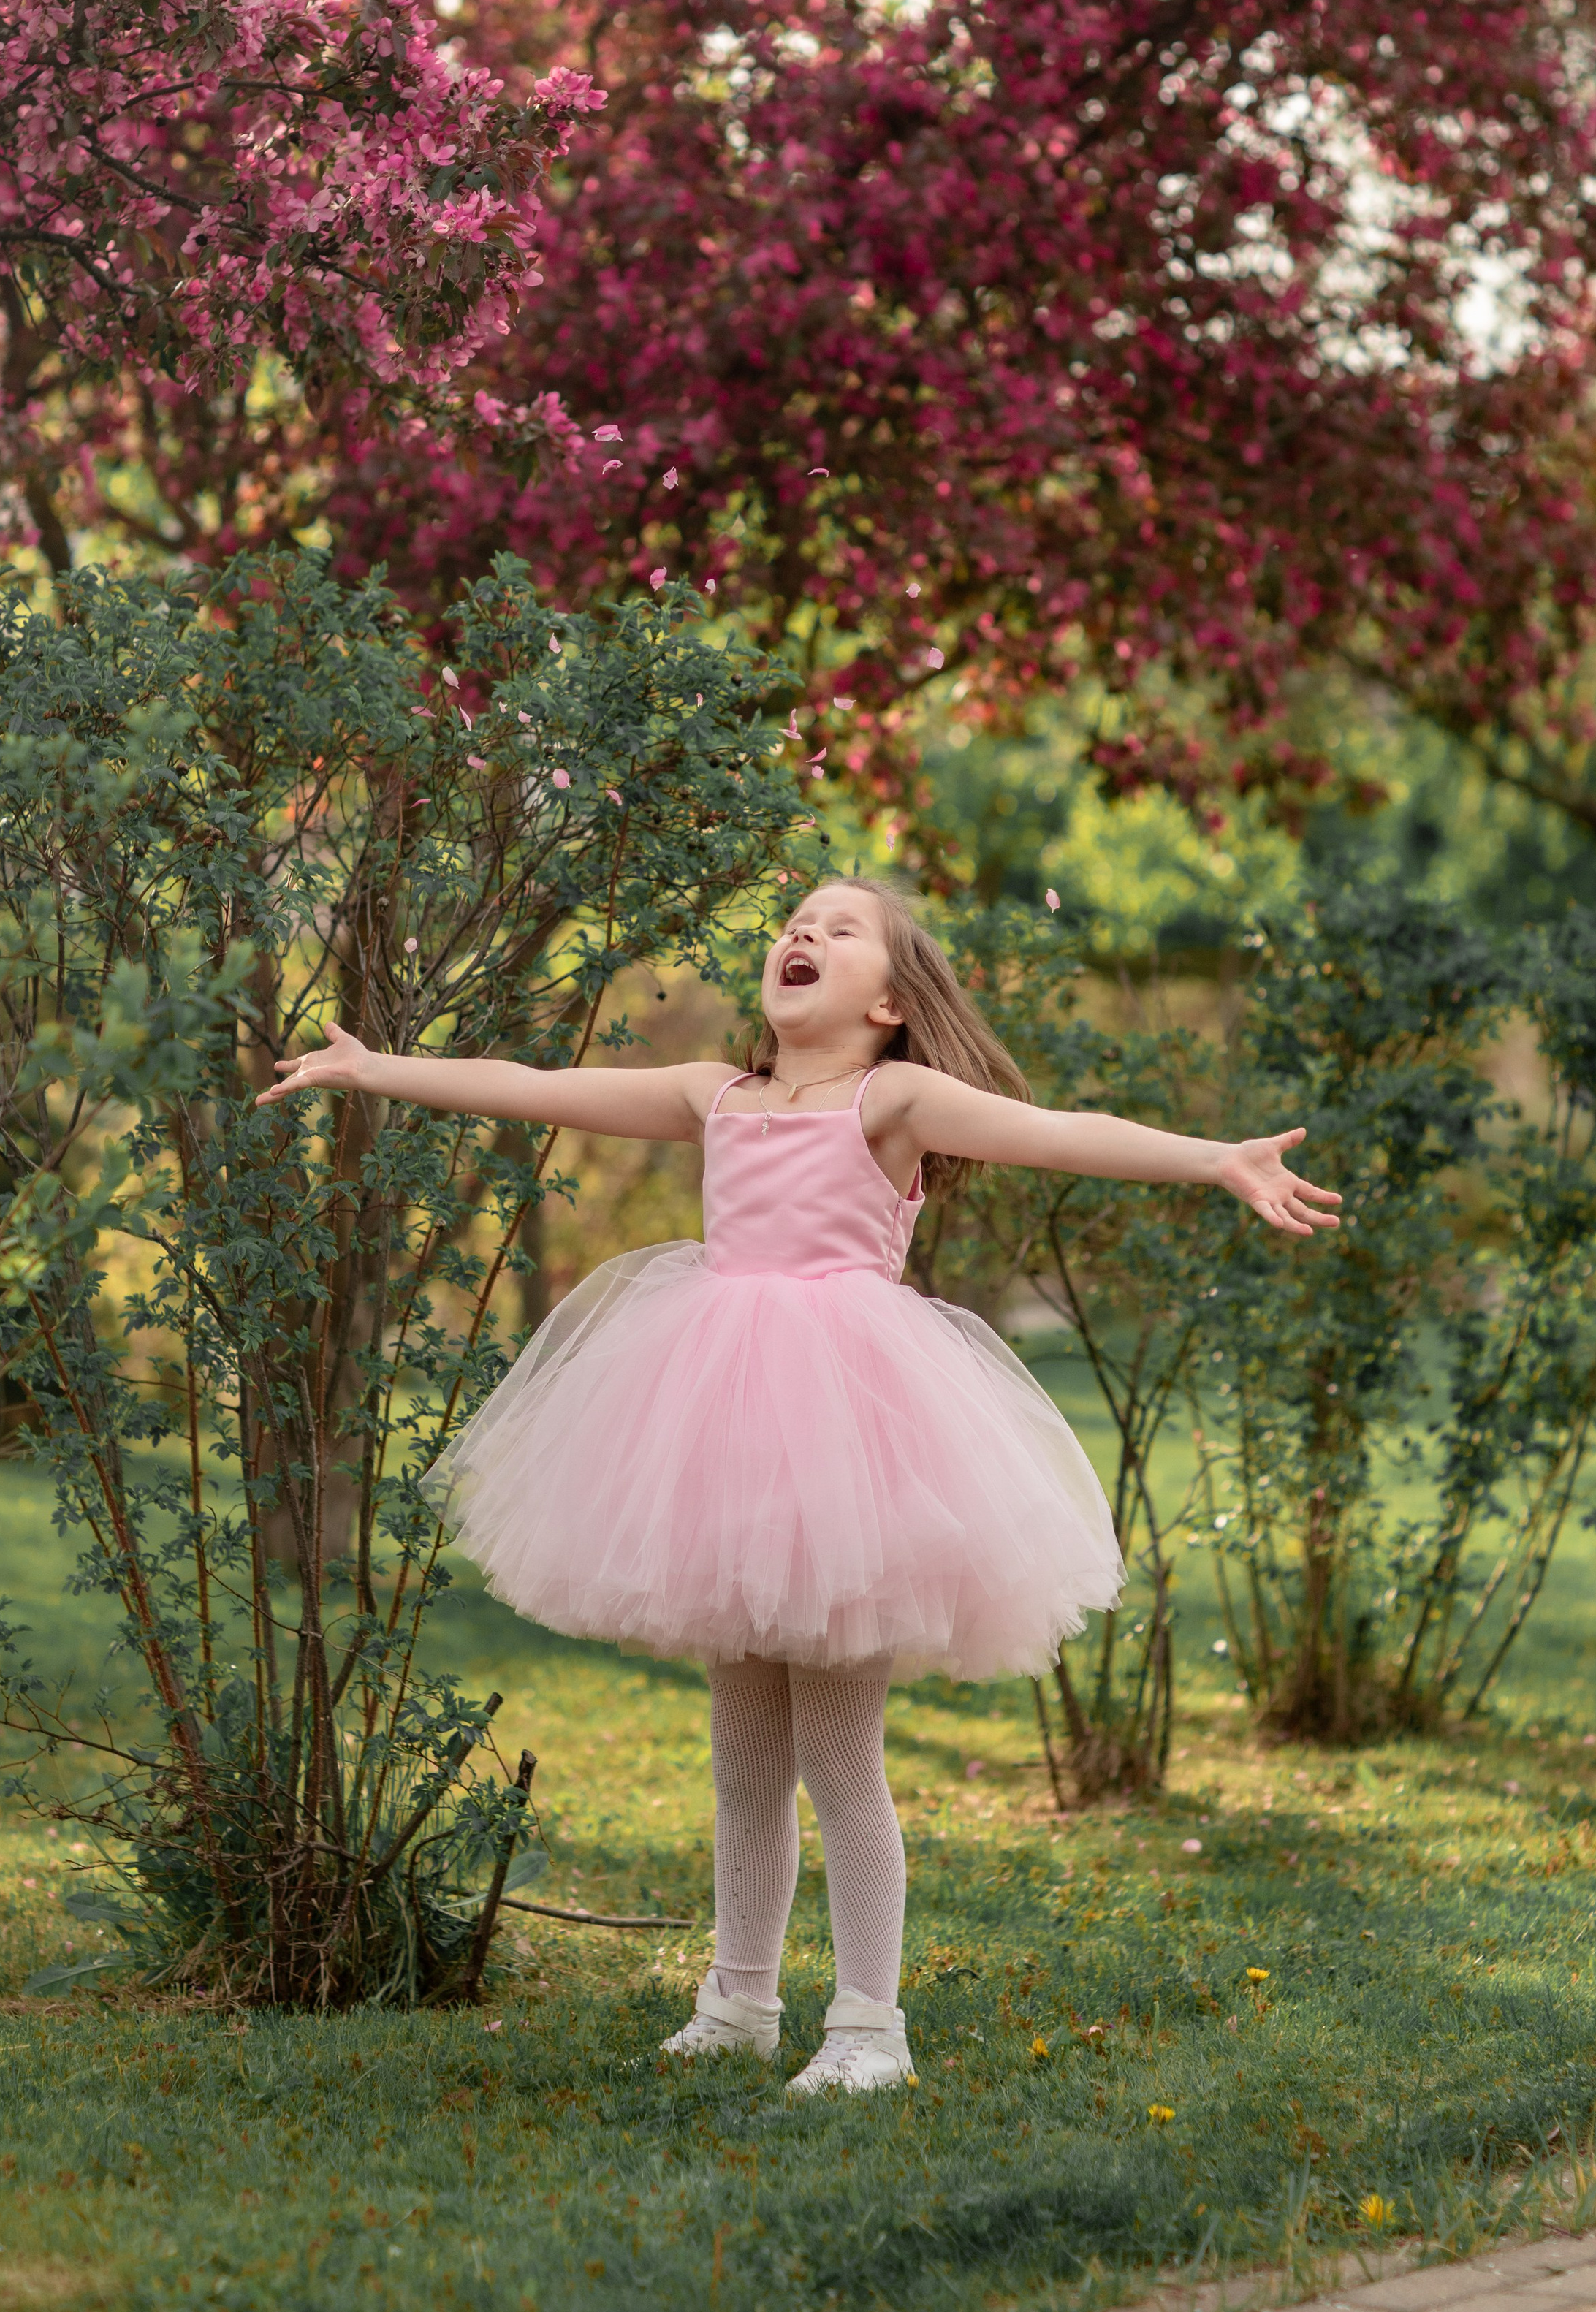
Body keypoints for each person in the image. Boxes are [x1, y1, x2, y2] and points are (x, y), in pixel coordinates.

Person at [259, 876, 1338, 2093]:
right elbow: (537, 1086)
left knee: (838, 1757)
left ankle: (871, 2027)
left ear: (889, 1003)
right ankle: (741, 2003)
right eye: (796, 924)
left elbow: (1064, 1132)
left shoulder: (896, 1100)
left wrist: (1216, 1159)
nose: (805, 935)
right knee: (743, 1757)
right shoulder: (713, 1094)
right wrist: (376, 1069)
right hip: (721, 1443)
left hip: (849, 1449)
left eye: (841, 929)